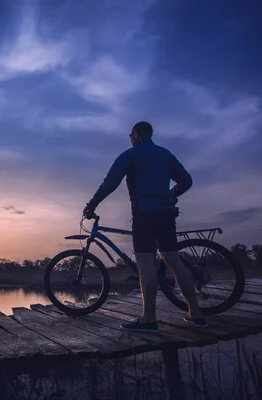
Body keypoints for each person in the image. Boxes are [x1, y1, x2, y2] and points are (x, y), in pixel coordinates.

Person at [82, 121, 208, 332]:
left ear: (137, 135)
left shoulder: (130, 155)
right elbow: (186, 181)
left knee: (145, 263)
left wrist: (92, 204)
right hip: (166, 214)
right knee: (173, 260)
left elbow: (110, 183)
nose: (130, 139)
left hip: (144, 213)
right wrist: (170, 194)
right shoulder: (166, 154)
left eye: (130, 135)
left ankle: (148, 319)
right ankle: (196, 314)